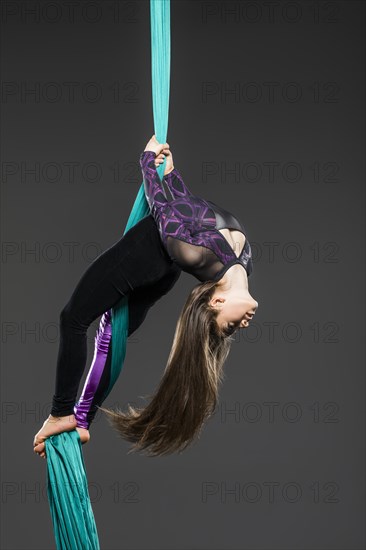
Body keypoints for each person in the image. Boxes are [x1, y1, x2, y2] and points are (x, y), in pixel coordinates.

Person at [33, 135, 258, 458]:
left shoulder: (196, 256)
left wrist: (147, 161)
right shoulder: (244, 262)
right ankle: (80, 419)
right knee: (109, 333)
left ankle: (61, 414)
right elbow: (189, 208)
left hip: (150, 255)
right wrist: (170, 173)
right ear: (218, 301)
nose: (242, 326)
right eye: (231, 328)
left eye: (229, 327)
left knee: (75, 319)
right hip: (161, 264)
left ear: (216, 302)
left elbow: (167, 211)